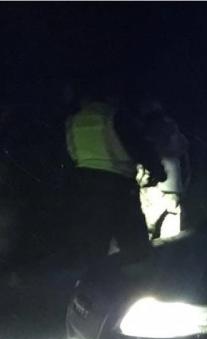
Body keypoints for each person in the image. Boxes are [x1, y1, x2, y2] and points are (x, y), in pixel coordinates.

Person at [64, 83, 165, 266]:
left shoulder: (74, 120)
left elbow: (71, 152)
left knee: (93, 245)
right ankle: (137, 279)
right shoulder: (114, 116)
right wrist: (157, 171)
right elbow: (140, 146)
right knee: (134, 245)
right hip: (118, 185)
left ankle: (93, 280)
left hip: (84, 185)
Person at [137, 100, 189, 240]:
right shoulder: (171, 127)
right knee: (169, 236)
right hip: (170, 187)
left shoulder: (139, 128)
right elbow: (183, 148)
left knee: (149, 230)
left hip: (148, 185)